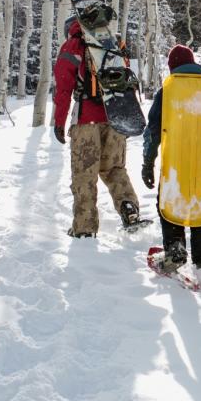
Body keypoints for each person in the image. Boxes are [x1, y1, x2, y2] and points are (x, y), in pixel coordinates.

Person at [141, 45, 201, 275]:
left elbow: (153, 131)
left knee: (170, 202)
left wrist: (148, 162)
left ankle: (175, 250)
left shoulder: (169, 91)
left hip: (176, 161)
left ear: (172, 67)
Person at [53, 16, 142, 238]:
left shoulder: (72, 45)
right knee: (114, 169)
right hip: (114, 115)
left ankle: (84, 228)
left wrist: (59, 122)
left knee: (84, 175)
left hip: (86, 120)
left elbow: (63, 89)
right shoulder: (111, 43)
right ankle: (128, 208)